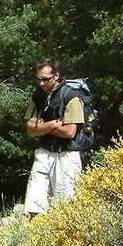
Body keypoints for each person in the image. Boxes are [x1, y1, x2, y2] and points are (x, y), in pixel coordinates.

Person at [23, 59, 84, 218]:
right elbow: (30, 129)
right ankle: (34, 239)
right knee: (34, 202)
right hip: (44, 153)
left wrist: (41, 128)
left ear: (56, 76)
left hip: (66, 155)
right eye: (38, 79)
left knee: (65, 206)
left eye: (45, 79)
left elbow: (70, 132)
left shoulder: (71, 96)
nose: (41, 83)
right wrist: (52, 125)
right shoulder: (37, 96)